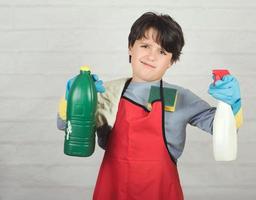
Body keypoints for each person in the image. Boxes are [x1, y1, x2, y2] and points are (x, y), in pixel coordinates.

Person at [57, 12, 243, 200]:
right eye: (145, 46)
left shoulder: (179, 97)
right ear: (130, 48)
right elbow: (67, 126)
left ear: (170, 61)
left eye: (162, 52)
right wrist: (75, 98)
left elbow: (222, 128)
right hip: (113, 190)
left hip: (161, 191)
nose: (151, 56)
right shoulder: (107, 92)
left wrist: (230, 104)